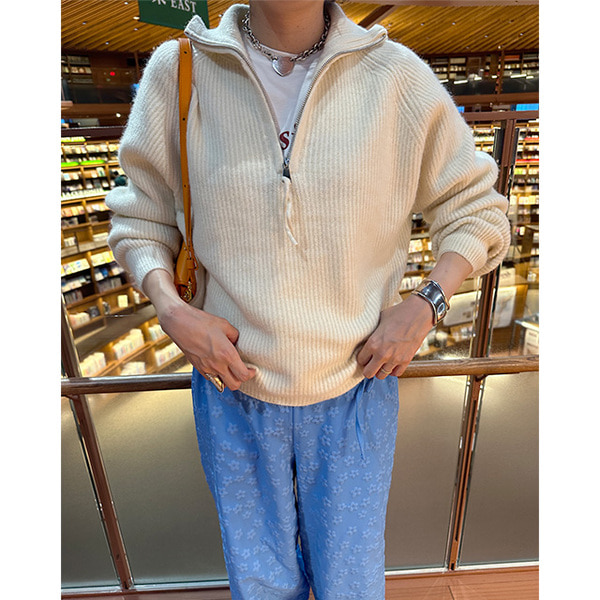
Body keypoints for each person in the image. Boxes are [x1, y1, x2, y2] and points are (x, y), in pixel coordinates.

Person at [106, 1, 510, 598]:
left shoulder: (395, 76)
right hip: (231, 385)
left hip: (357, 384)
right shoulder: (181, 69)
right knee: (259, 584)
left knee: (351, 584)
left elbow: (477, 209)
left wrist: (426, 302)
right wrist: (172, 310)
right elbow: (140, 217)